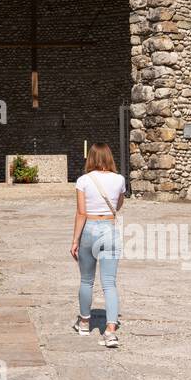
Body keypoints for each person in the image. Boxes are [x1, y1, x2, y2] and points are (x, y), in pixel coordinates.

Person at [70, 142, 126, 348]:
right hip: (109, 229)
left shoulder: (83, 180)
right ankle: (110, 331)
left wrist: (75, 239)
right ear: (110, 157)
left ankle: (84, 322)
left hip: (89, 229)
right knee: (109, 283)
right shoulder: (119, 179)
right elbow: (118, 205)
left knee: (86, 280)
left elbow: (81, 212)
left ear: (90, 158)